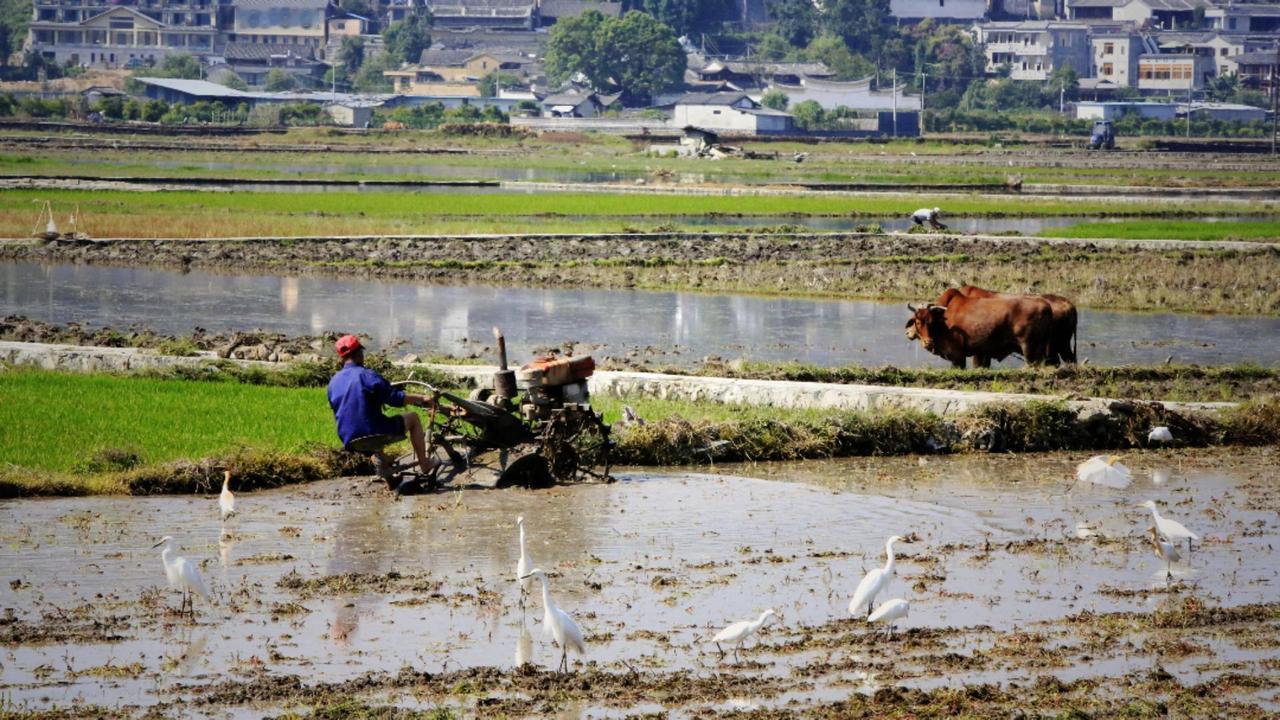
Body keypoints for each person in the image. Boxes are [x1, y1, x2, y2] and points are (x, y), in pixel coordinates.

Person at [327, 335, 439, 484]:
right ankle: (424, 463)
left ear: (341, 358)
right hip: (373, 432)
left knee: (372, 429)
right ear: (360, 353)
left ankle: (389, 479)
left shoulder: (333, 382)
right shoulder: (366, 375)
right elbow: (395, 398)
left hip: (348, 438)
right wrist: (422, 398)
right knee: (413, 418)